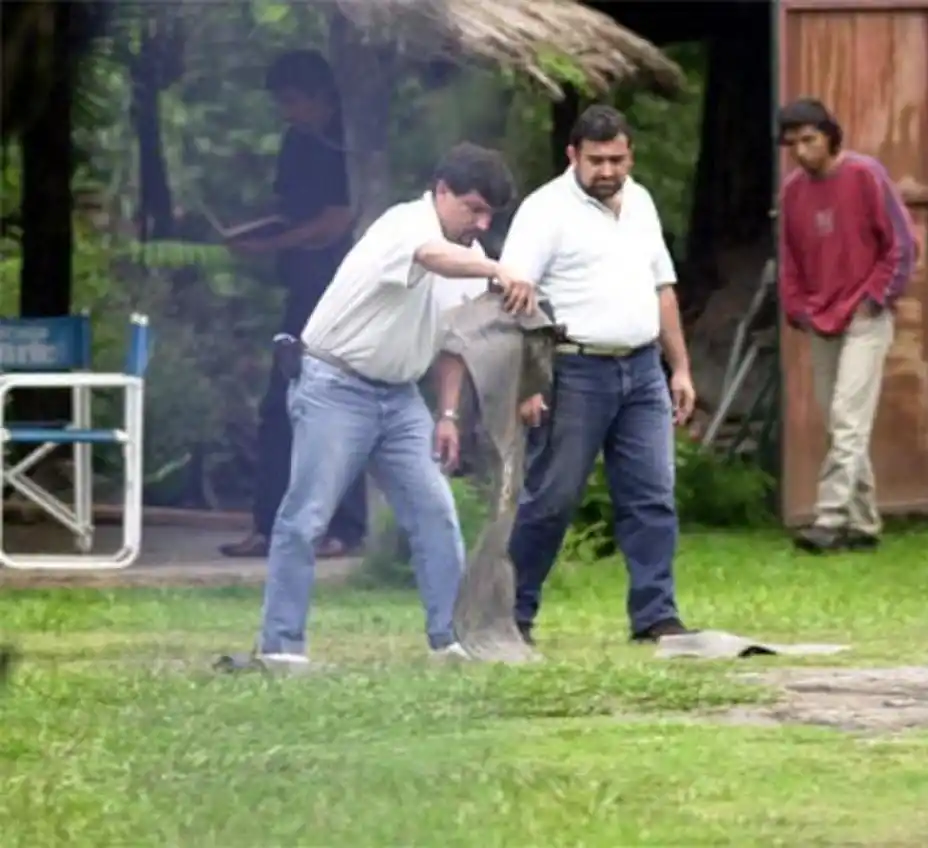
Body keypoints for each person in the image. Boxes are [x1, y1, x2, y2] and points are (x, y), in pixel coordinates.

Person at [255, 142, 536, 667]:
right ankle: (280, 647)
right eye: (471, 208)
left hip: (401, 398)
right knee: (307, 515)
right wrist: (499, 270)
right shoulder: (404, 225)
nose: (479, 222)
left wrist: (448, 414)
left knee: (436, 512)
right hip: (334, 383)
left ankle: (450, 641)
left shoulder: (471, 257)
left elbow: (453, 343)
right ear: (442, 191)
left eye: (488, 214)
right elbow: (430, 257)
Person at [497, 104, 698, 646]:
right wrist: (528, 382)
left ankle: (656, 615)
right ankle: (512, 614)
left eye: (617, 159)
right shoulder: (544, 211)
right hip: (573, 369)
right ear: (573, 156)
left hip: (641, 368)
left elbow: (662, 288)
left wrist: (678, 367)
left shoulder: (642, 203)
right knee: (552, 498)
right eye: (596, 160)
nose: (607, 171)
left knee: (652, 495)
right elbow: (519, 302)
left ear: (630, 154)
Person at [220, 50, 367, 560]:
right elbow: (289, 211)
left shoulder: (349, 142)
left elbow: (338, 219)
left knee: (341, 404)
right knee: (279, 406)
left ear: (321, 96)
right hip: (303, 290)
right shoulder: (295, 143)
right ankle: (268, 524)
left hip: (344, 291)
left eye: (293, 100)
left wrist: (275, 244)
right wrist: (258, 232)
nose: (287, 111)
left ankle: (342, 527)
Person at [778, 99, 917, 554]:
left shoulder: (865, 175)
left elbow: (901, 244)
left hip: (864, 315)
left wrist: (876, 299)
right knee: (841, 423)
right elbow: (791, 260)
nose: (800, 150)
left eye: (809, 140)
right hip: (820, 317)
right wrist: (796, 308)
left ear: (830, 136)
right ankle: (863, 525)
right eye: (792, 143)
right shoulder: (793, 192)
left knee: (846, 418)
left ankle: (830, 518)